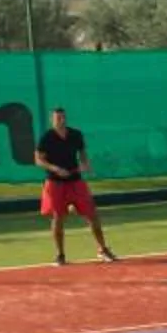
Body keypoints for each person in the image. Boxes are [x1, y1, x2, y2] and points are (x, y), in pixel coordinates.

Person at [36, 107, 117, 265]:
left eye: (63, 117)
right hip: (55, 182)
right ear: (52, 120)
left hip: (75, 181)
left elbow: (82, 153)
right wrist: (56, 169)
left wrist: (85, 164)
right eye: (58, 118)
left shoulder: (76, 135)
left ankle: (103, 249)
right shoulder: (46, 137)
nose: (61, 120)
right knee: (58, 217)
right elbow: (38, 160)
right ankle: (60, 255)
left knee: (92, 215)